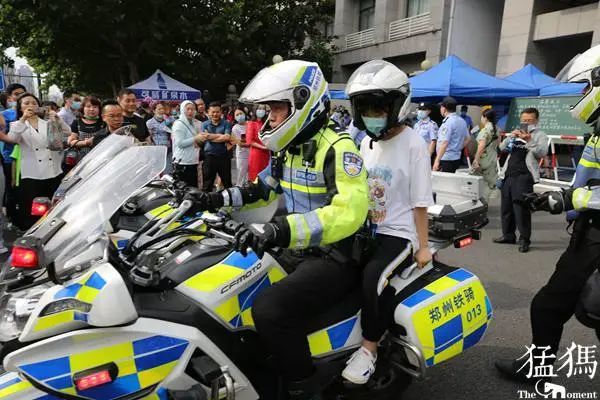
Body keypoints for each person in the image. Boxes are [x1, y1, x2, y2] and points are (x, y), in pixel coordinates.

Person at [193, 60, 368, 399]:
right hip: (295, 247)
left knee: (269, 309)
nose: (270, 118)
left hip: (335, 255)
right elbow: (262, 188)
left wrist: (277, 230)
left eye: (276, 109)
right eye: (269, 110)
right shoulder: (290, 147)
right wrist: (213, 199)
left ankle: (304, 385)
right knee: (229, 289)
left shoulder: (338, 148)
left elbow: (349, 211)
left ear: (303, 103)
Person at [494, 43, 600, 383]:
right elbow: (587, 182)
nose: (583, 95)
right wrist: (557, 199)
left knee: (565, 308)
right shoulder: (598, 133)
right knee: (556, 307)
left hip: (596, 238)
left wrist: (572, 201)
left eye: (587, 88)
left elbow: (588, 194)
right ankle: (536, 370)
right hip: (588, 234)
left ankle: (535, 371)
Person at [341, 60, 434, 384]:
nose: (372, 114)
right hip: (366, 229)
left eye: (378, 108)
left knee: (372, 279)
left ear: (397, 106)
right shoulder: (366, 142)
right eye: (365, 108)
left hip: (398, 232)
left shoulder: (414, 143)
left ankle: (369, 349)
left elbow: (421, 202)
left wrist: (423, 247)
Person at [0, 93, 70, 230]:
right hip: (31, 174)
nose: (31, 105)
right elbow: (13, 139)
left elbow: (68, 132)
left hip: (53, 171)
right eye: (26, 103)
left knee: (54, 207)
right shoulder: (17, 124)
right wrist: (23, 119)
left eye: (34, 102)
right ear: (20, 108)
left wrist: (57, 119)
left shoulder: (49, 122)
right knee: (33, 211)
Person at [494, 108, 548, 253]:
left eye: (529, 120)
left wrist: (529, 140)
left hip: (524, 175)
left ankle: (524, 239)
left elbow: (542, 152)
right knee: (506, 207)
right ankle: (508, 235)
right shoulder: (515, 132)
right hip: (508, 174)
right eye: (524, 120)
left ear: (536, 121)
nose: (526, 123)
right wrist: (510, 137)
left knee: (521, 208)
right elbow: (501, 148)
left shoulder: (540, 135)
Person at [1, 84, 26, 226]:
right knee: (12, 187)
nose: (20, 97)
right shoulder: (5, 115)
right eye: (17, 94)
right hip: (11, 158)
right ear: (10, 97)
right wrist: (11, 140)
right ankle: (12, 218)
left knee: (25, 187)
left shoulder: (31, 112)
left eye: (23, 93)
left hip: (29, 157)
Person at [200, 102, 232, 191]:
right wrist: (220, 136)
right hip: (209, 156)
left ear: (221, 112)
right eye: (213, 112)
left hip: (223, 156)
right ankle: (206, 203)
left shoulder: (226, 123)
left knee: (227, 183)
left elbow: (227, 137)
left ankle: (229, 201)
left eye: (217, 112)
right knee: (207, 183)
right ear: (208, 112)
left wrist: (210, 136)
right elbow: (204, 137)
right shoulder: (204, 124)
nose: (215, 114)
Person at [433, 96, 469, 173]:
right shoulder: (461, 120)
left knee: (444, 183)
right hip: (456, 158)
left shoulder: (448, 122)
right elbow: (468, 139)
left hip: (446, 159)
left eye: (441, 107)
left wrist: (437, 160)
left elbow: (444, 143)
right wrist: (457, 148)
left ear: (444, 108)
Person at [172, 100, 204, 188]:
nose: (190, 111)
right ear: (182, 110)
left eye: (192, 109)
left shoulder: (193, 123)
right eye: (188, 109)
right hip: (182, 162)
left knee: (192, 190)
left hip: (192, 161)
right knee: (183, 190)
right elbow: (180, 143)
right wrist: (196, 138)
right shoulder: (179, 124)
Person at [471, 109, 499, 202]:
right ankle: (486, 204)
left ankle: (479, 204)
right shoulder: (497, 129)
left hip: (484, 159)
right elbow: (498, 144)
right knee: (489, 183)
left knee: (475, 181)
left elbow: (481, 146)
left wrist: (476, 159)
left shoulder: (485, 130)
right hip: (493, 158)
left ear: (485, 117)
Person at [67, 96, 105, 160]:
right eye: (88, 106)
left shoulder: (104, 122)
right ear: (83, 108)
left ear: (99, 109)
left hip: (101, 157)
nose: (92, 109)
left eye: (95, 107)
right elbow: (71, 142)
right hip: (82, 158)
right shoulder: (77, 122)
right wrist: (86, 143)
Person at [146, 101, 173, 174]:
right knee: (156, 172)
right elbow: (149, 138)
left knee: (168, 172)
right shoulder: (149, 123)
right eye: (159, 109)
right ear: (154, 110)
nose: (162, 111)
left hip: (168, 150)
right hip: (156, 151)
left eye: (163, 109)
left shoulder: (169, 120)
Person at [246, 104, 270, 182]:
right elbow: (249, 141)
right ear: (255, 110)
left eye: (263, 109)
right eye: (259, 108)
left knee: (265, 175)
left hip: (266, 153)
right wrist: (263, 147)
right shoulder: (251, 123)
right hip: (256, 153)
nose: (261, 110)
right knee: (255, 175)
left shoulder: (266, 123)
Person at [230, 107, 249, 185]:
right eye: (237, 115)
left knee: (251, 175)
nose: (239, 116)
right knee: (241, 175)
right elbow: (239, 143)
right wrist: (253, 144)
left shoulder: (251, 124)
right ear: (234, 117)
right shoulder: (235, 128)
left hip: (252, 154)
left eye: (241, 113)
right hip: (242, 155)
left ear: (245, 114)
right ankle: (240, 189)